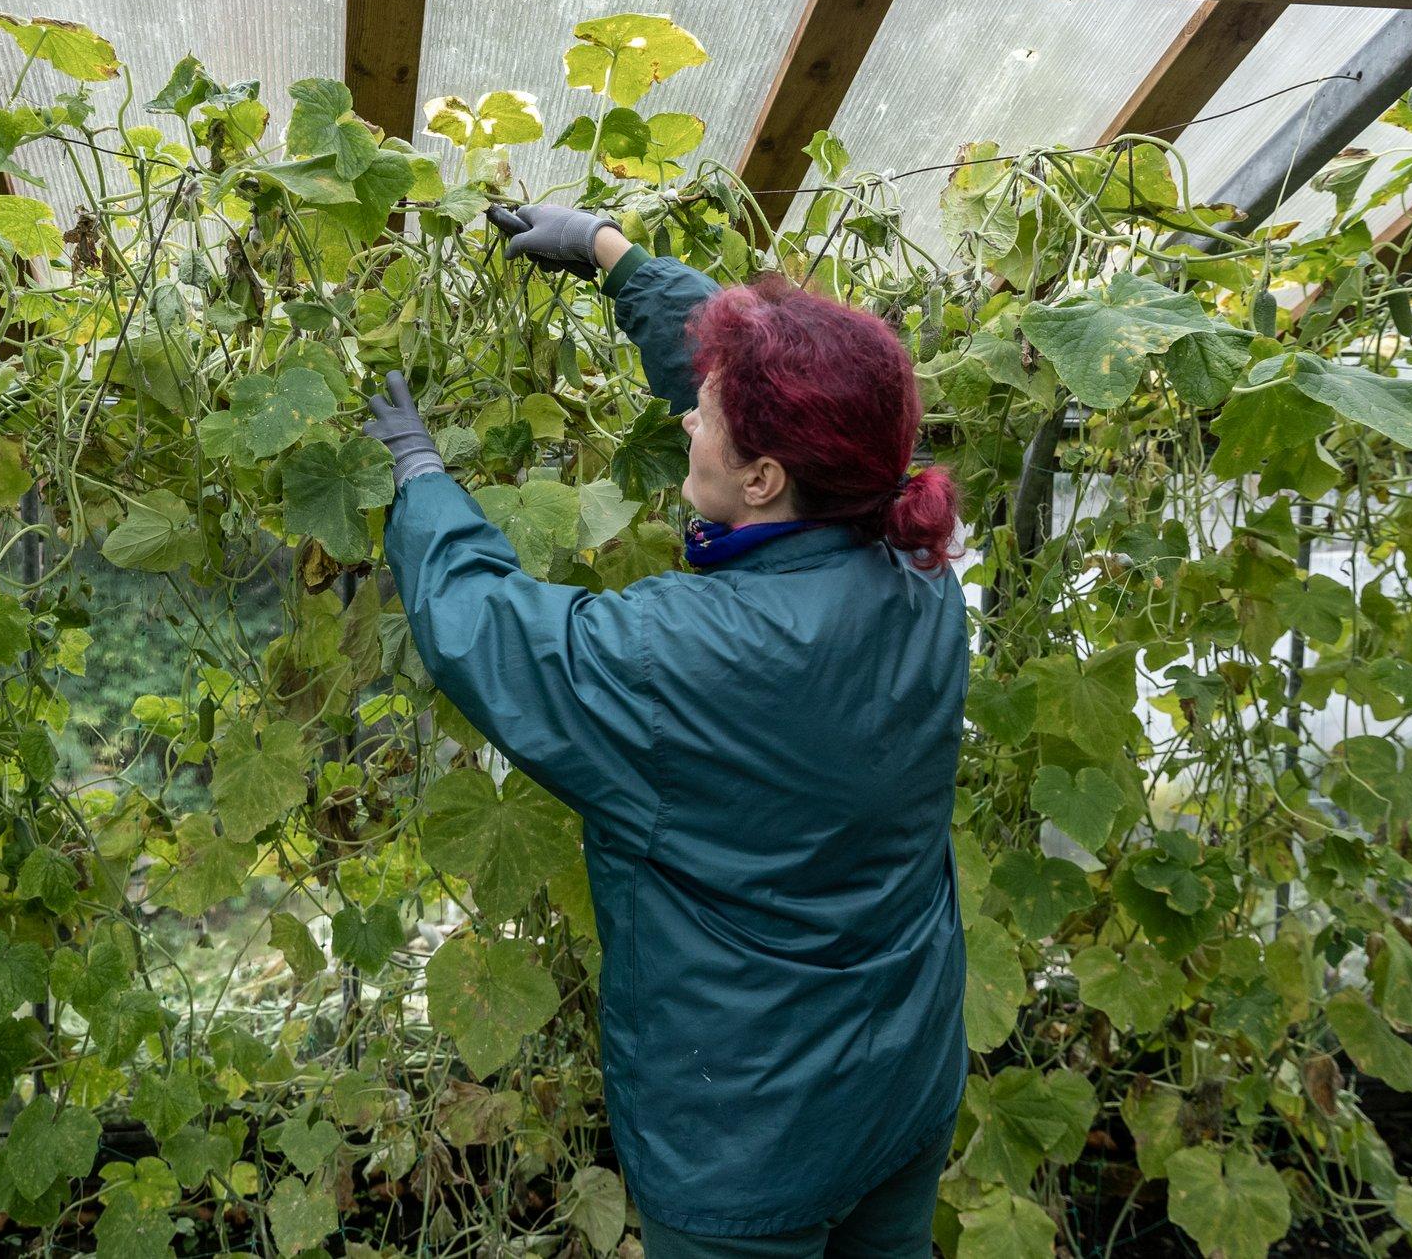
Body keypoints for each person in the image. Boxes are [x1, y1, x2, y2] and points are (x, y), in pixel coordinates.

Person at [361, 202, 972, 1259]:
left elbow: (485, 630)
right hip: (902, 1073)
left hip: (747, 1135)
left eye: (705, 416)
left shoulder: (680, 654)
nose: (688, 419)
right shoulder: (921, 580)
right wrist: (614, 258)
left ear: (764, 478)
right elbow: (805, 397)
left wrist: (419, 478)